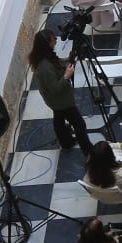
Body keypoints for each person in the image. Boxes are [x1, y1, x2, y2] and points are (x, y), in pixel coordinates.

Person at [28, 30, 94, 159]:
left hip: (55, 101)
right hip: (61, 101)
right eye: (53, 39)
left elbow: (54, 62)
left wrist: (65, 60)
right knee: (79, 124)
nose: (56, 40)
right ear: (47, 44)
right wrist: (66, 76)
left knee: (58, 118)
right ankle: (89, 152)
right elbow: (55, 88)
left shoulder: (44, 56)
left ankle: (66, 142)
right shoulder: (44, 67)